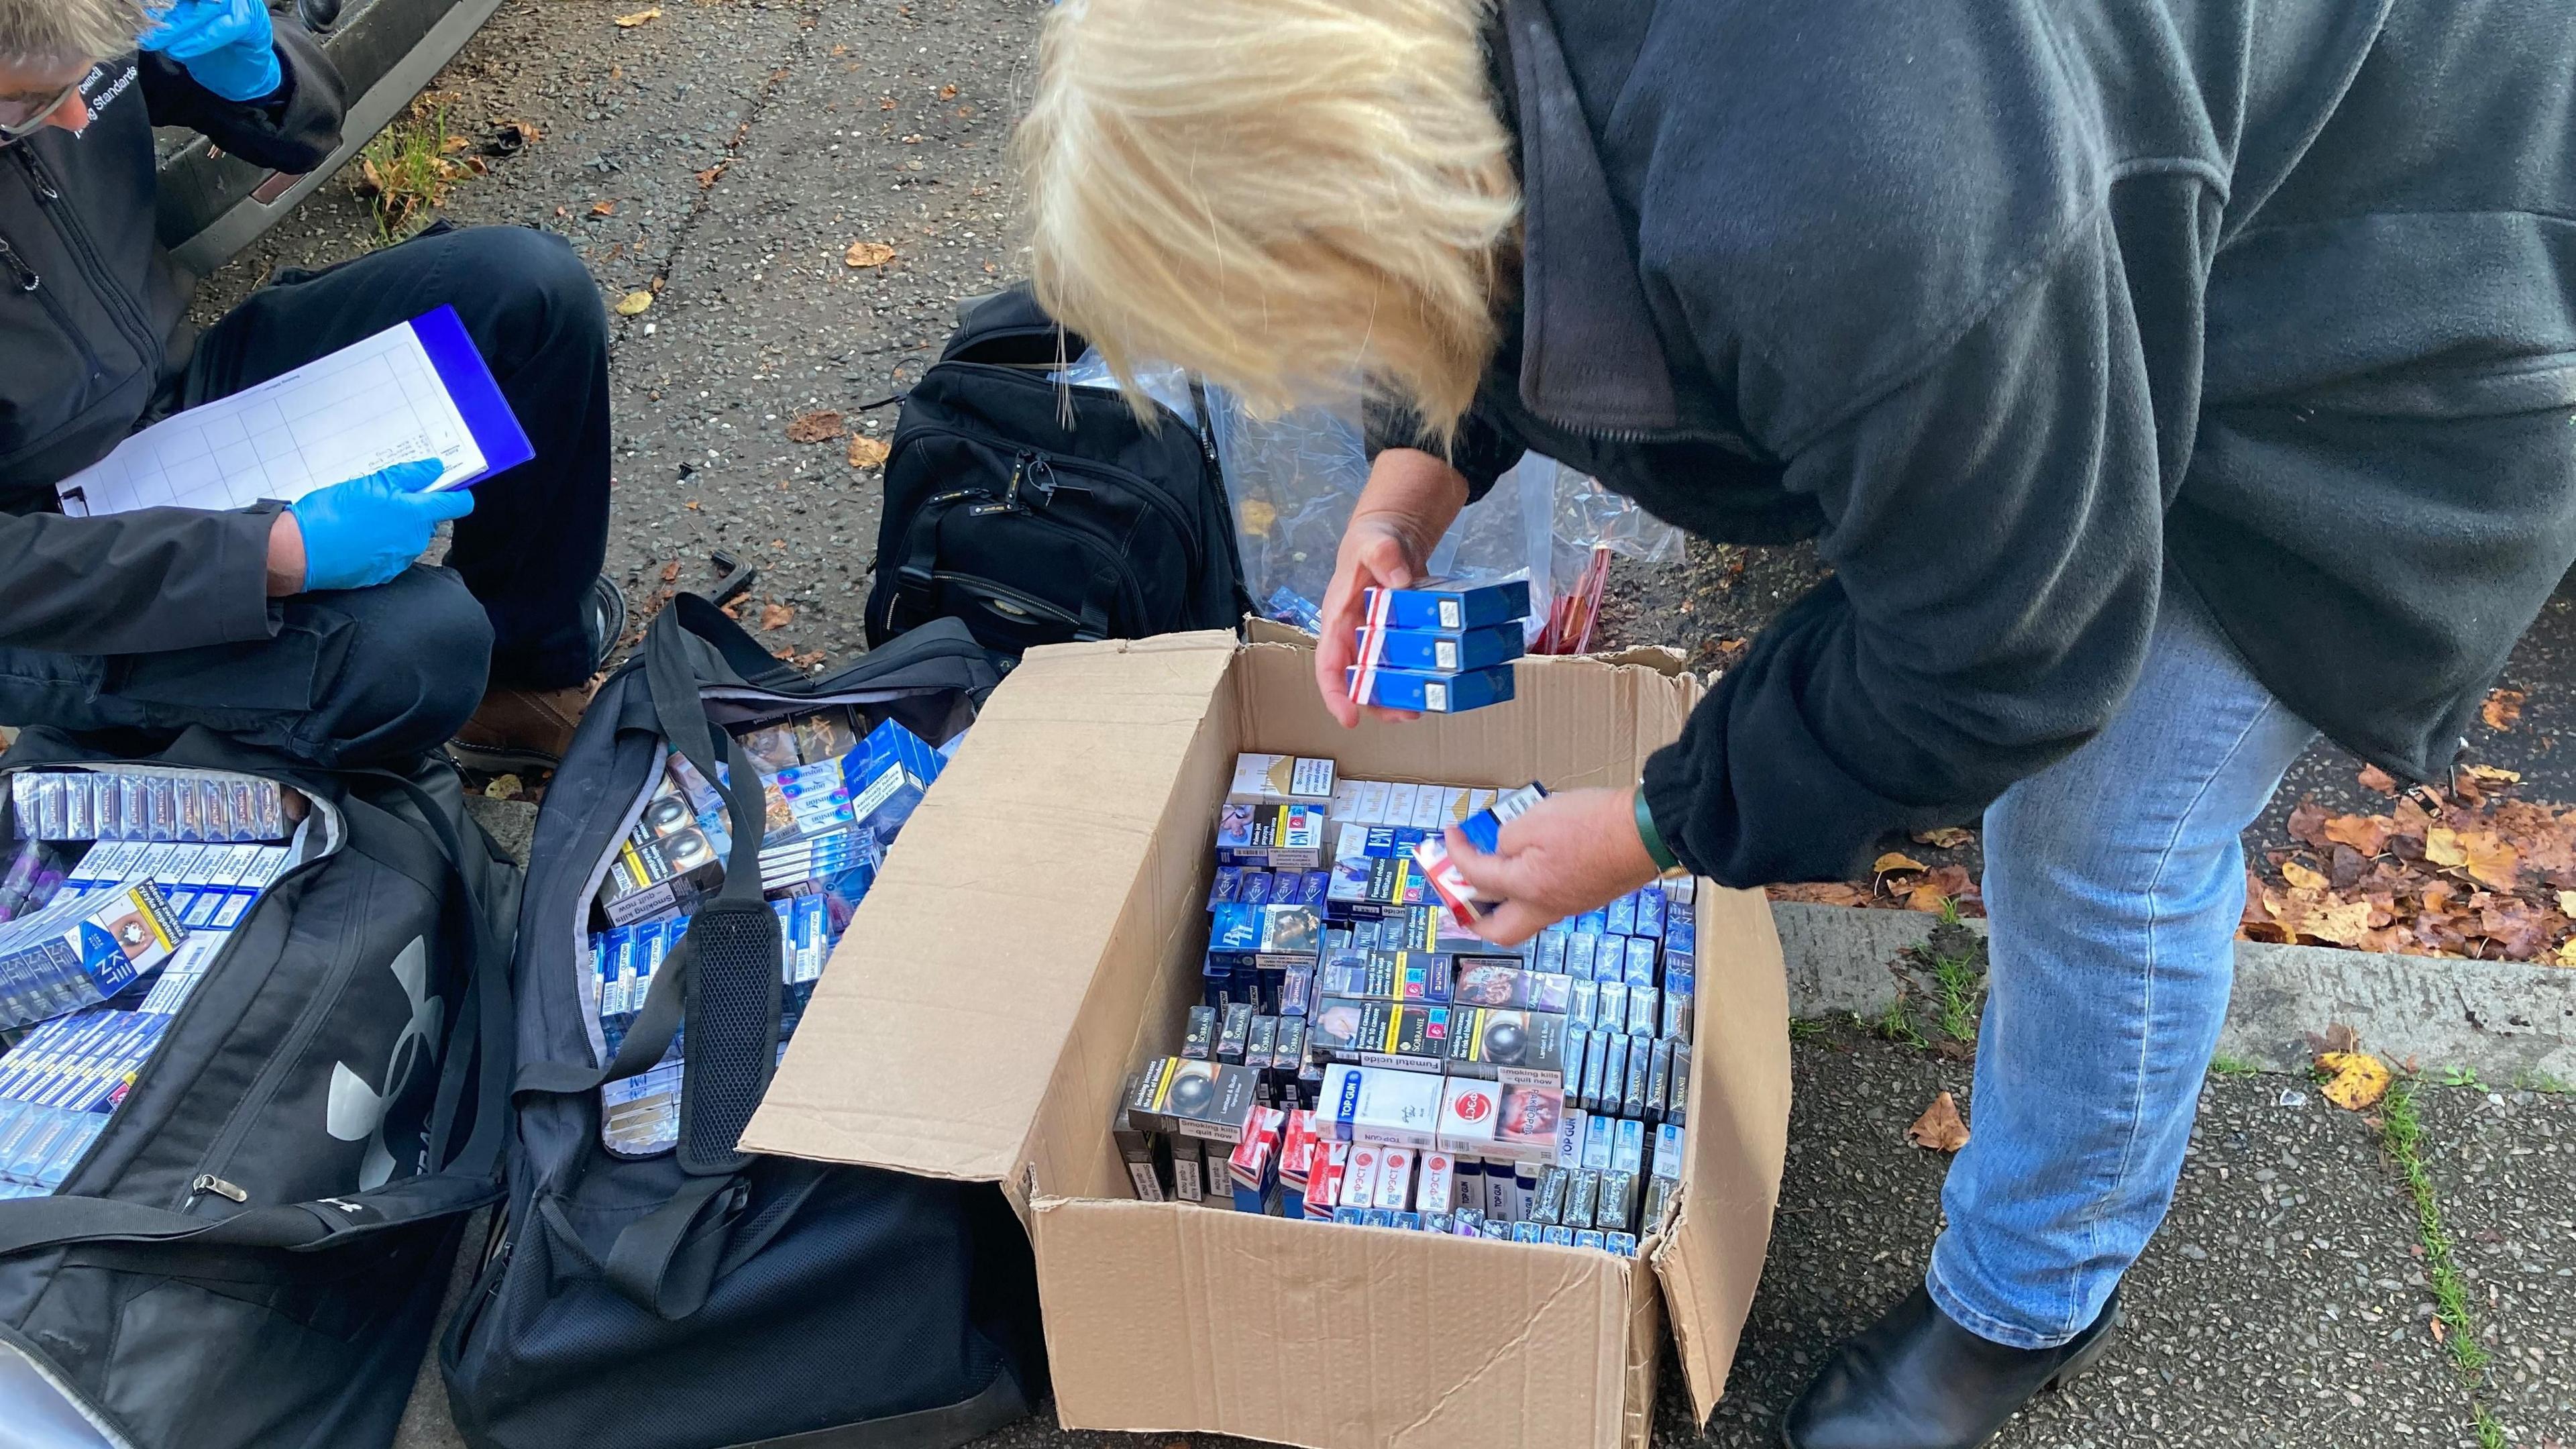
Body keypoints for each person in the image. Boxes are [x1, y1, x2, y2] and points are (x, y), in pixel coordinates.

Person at [1016, 1, 2576, 1444]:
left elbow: (2002, 648)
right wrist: (1409, 478)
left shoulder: (1864, 223)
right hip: (2078, 225)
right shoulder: (1494, 81)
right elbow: (1490, 225)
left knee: (2104, 838)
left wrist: (1650, 825)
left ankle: (2026, 1299)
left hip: (2402, 270)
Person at [0, 0, 618, 770]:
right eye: (27, 105)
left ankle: (523, 686)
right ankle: (119, 747)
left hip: (168, 390)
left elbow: (302, 134)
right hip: (39, 549)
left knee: (529, 292)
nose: (72, 119)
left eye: (87, 80)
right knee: (417, 644)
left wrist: (263, 75)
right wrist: (265, 554)